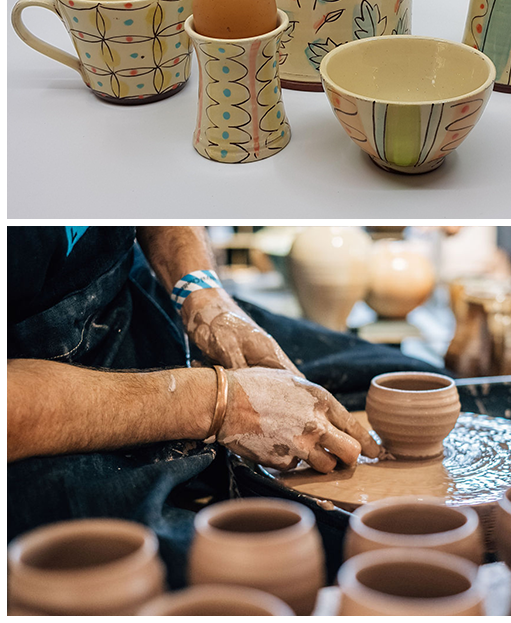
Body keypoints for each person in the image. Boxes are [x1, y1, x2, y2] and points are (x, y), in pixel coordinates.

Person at [8, 226, 443, 583]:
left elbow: (149, 187)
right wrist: (217, 402)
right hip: (33, 395)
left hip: (123, 294)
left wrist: (201, 292)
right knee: (226, 564)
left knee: (390, 373)